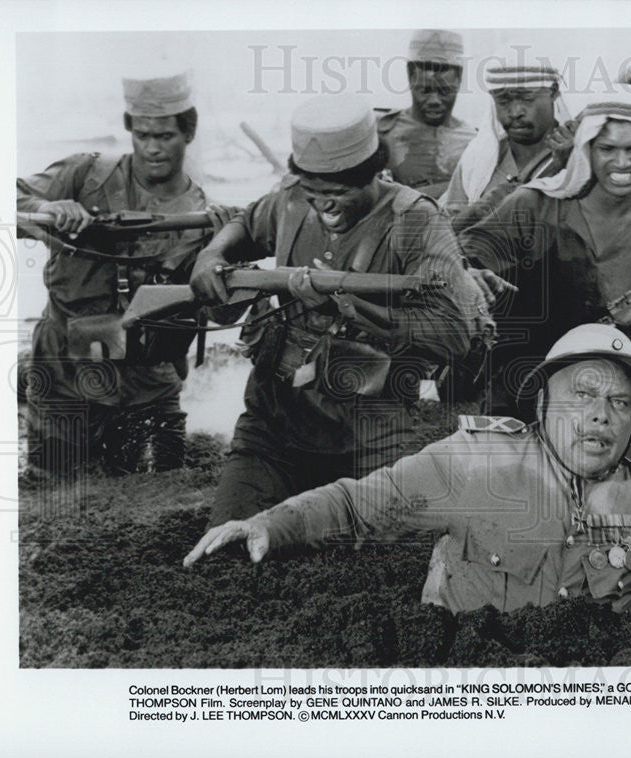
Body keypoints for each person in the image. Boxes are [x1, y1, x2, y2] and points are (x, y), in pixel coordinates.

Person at [184, 324, 631, 616]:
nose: (601, 415)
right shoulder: (471, 463)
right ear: (542, 405)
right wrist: (267, 523)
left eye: (618, 401)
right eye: (582, 395)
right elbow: (356, 506)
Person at [189, 93, 476, 529]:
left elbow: (455, 333)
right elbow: (246, 224)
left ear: (373, 175)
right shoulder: (289, 201)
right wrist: (211, 256)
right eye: (313, 192)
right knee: (228, 537)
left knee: (397, 549)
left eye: (338, 193)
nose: (323, 206)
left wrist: (353, 309)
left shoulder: (417, 222)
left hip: (372, 431)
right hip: (273, 427)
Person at [18, 70, 235, 477]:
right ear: (131, 131)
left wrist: (223, 249)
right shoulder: (86, 174)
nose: (153, 148)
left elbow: (223, 314)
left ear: (188, 135)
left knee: (158, 489)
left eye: (165, 136)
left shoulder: (204, 214)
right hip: (63, 372)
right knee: (51, 488)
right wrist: (51, 209)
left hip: (147, 384)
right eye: (143, 135)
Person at [457, 101, 631, 421]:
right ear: (587, 150)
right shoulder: (534, 203)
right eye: (607, 148)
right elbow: (466, 258)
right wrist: (472, 274)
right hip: (522, 384)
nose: (622, 162)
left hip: (613, 387)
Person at [440, 51, 576, 234]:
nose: (515, 112)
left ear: (553, 92)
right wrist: (484, 207)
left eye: (527, 98)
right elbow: (444, 232)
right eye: (503, 101)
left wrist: (570, 168)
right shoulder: (477, 158)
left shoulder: (580, 154)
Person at [376, 29, 476, 197]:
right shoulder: (382, 133)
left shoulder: (475, 142)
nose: (434, 101)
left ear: (459, 80)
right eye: (425, 91)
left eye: (444, 91)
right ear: (410, 76)